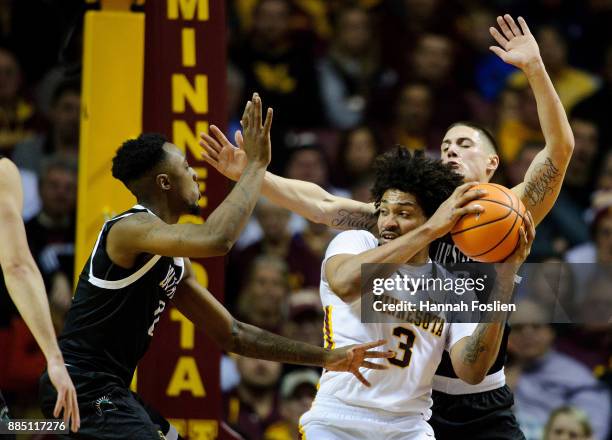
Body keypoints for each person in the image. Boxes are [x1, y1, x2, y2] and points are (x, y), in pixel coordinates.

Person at [200, 15, 574, 440]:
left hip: (478, 394)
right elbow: (322, 204)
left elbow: (559, 151)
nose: (451, 151)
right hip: (413, 395)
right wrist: (250, 175)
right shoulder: (402, 220)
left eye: (465, 145)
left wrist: (534, 69)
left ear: (492, 164)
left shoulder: (509, 213)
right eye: (446, 145)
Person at [38, 94, 391, 440]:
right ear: (164, 182)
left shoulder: (174, 260)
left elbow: (233, 334)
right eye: (186, 168)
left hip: (110, 388)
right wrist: (254, 167)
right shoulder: (127, 229)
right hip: (79, 384)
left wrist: (328, 357)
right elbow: (217, 239)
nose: (195, 175)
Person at [298, 147, 534, 439]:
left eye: (404, 213)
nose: (388, 223)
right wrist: (432, 229)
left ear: (432, 217)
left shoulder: (452, 288)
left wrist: (505, 282)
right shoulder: (355, 242)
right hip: (338, 418)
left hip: (408, 427)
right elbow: (346, 285)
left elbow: (472, 371)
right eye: (383, 211)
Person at [0, 155, 80, 433]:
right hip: (21, 335)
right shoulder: (3, 172)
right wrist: (54, 358)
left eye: (68, 187)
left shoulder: (81, 230)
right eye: (54, 185)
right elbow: (18, 267)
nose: (60, 192)